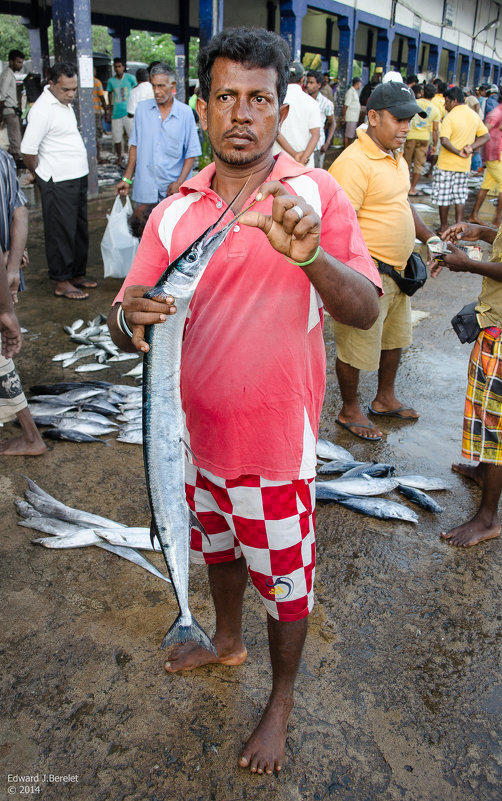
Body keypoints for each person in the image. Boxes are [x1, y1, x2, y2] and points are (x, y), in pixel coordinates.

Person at [108, 26, 381, 774]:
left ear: (280, 107)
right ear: (202, 106)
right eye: (225, 96)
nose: (240, 113)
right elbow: (130, 303)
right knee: (219, 553)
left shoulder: (316, 194)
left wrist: (311, 256)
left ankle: (281, 701)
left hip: (273, 450)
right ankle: (225, 643)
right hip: (190, 445)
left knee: (285, 585)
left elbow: (366, 309)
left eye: (258, 99)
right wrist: (129, 315)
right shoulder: (173, 211)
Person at [328, 81, 439, 441]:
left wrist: (431, 239)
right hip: (368, 274)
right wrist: (356, 277)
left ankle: (385, 398)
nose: (406, 127)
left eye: (411, 120)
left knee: (395, 339)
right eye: (399, 118)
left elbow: (402, 204)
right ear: (373, 117)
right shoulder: (353, 164)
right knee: (356, 342)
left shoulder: (395, 157)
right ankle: (349, 409)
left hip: (399, 272)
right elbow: (337, 229)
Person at [430, 220, 502, 546]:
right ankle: (486, 472)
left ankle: (488, 518)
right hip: (493, 323)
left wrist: (469, 264)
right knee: (483, 409)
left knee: (495, 424)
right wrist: (483, 232)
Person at [21, 62, 95, 301]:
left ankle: (75, 274)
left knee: (78, 229)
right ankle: (62, 281)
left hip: (76, 175)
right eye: (66, 89)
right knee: (60, 231)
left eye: (74, 89)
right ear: (51, 84)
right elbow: (28, 150)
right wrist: (41, 175)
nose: (71, 94)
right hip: (57, 180)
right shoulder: (43, 109)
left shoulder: (63, 104)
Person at [0, 149, 45, 456]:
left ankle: (30, 437)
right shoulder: (3, 158)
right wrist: (12, 267)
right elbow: (19, 212)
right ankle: (30, 436)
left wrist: (5, 312)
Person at [116, 63, 201, 204]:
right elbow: (134, 147)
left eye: (161, 86)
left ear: (172, 85)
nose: (156, 91)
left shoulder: (185, 113)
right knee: (142, 225)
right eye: (153, 86)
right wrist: (126, 179)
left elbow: (191, 153)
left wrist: (179, 183)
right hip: (145, 189)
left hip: (173, 191)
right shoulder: (142, 110)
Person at [431, 86, 489, 233]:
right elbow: (485, 136)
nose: (445, 105)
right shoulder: (474, 115)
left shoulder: (450, 117)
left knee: (443, 197)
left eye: (447, 101)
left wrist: (457, 152)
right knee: (459, 196)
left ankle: (444, 227)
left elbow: (444, 140)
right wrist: (470, 148)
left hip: (446, 164)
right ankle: (459, 227)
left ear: (455, 101)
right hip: (464, 165)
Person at [272, 60, 321, 167]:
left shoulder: (275, 100)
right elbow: (316, 134)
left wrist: (294, 154)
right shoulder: (312, 103)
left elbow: (275, 131)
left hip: (279, 163)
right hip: (303, 165)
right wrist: (303, 158)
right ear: (302, 80)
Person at [469, 94, 502, 226]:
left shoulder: (498, 111)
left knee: (486, 185)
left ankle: (474, 215)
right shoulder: (497, 112)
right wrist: (474, 147)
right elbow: (483, 131)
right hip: (495, 153)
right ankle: (497, 219)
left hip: (495, 153)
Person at [404, 83, 440, 196]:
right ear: (433, 95)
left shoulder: (414, 103)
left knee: (406, 162)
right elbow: (435, 130)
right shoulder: (435, 110)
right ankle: (412, 188)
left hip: (410, 136)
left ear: (423, 92)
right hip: (424, 138)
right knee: (419, 164)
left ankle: (404, 188)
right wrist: (434, 145)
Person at [107, 58, 137, 164]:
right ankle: (119, 157)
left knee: (132, 136)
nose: (117, 69)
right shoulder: (111, 81)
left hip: (128, 112)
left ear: (123, 67)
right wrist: (109, 109)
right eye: (115, 67)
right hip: (116, 113)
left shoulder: (130, 78)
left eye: (119, 66)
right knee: (117, 137)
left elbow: (136, 90)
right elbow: (110, 94)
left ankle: (132, 159)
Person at [305, 69, 335, 167]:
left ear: (319, 85)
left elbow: (332, 123)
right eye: (307, 82)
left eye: (311, 83)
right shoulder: (303, 99)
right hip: (302, 144)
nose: (308, 85)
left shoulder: (326, 103)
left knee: (315, 175)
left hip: (318, 146)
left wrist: (327, 143)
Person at [0, 49, 25, 166]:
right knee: (16, 144)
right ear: (11, 62)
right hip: (9, 111)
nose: (21, 65)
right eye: (18, 62)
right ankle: (13, 170)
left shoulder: (10, 74)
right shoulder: (7, 75)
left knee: (15, 141)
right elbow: (2, 96)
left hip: (12, 111)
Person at [341, 77, 362, 148]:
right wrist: (343, 117)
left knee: (351, 135)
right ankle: (346, 149)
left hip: (354, 118)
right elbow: (345, 106)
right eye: (360, 83)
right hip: (350, 117)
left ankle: (348, 149)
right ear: (357, 83)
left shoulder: (354, 92)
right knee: (348, 135)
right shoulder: (350, 92)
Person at [93, 68, 107, 163]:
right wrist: (106, 111)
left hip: (92, 113)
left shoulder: (79, 82)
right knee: (98, 135)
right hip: (96, 112)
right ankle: (98, 156)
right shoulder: (97, 82)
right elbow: (102, 98)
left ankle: (95, 157)